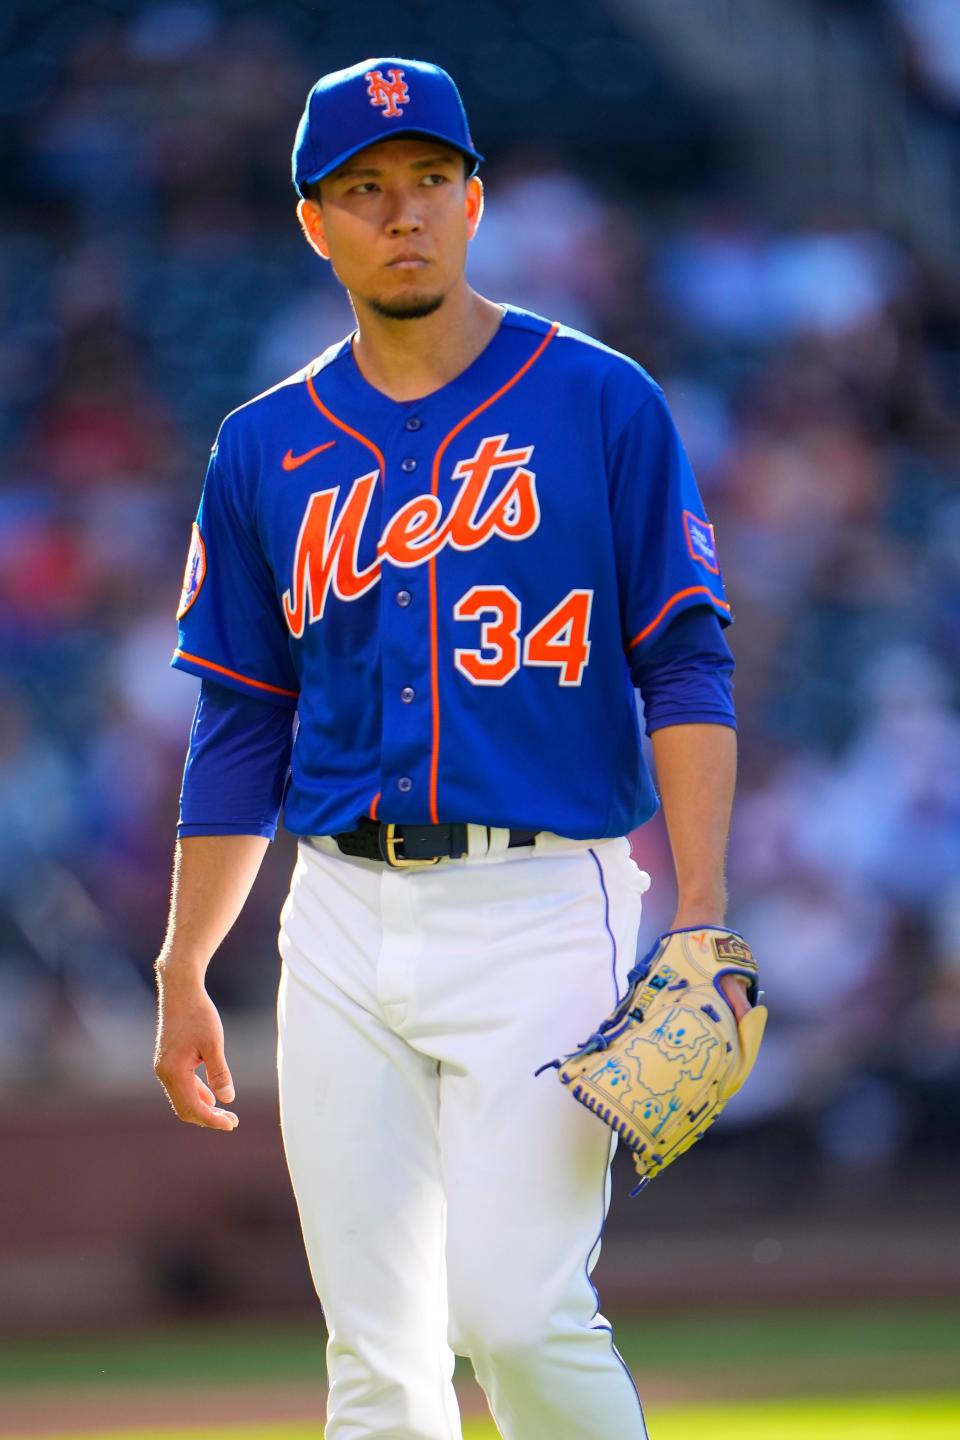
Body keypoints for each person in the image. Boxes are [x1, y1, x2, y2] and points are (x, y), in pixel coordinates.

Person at [153, 56, 753, 1440]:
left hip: (546, 905)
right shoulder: (264, 447)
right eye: (363, 190)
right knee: (376, 1363)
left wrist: (704, 911)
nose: (401, 212)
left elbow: (684, 657)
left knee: (518, 1315)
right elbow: (242, 720)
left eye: (428, 179)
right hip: (342, 920)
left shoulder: (601, 403)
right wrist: (186, 962)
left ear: (477, 200)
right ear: (316, 224)